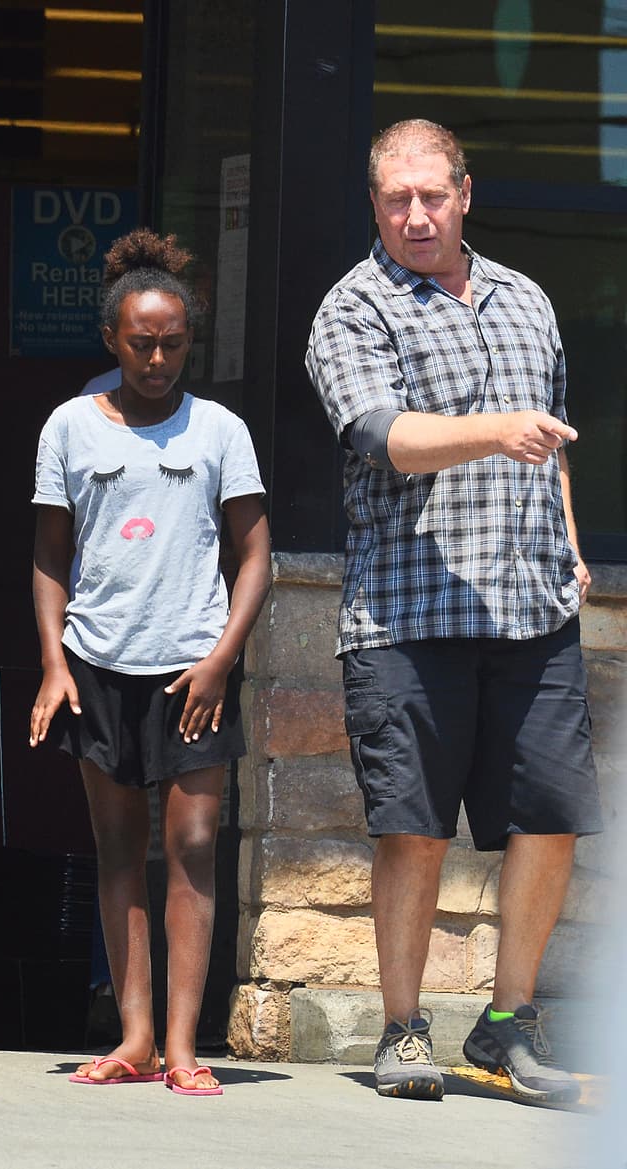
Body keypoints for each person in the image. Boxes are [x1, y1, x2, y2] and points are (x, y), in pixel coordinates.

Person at [305, 119, 602, 1103]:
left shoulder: (526, 300)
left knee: (549, 820)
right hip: (406, 611)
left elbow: (546, 440)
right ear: (373, 204)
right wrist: (496, 431)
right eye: (395, 199)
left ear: (463, 193)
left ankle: (505, 1025)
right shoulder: (351, 311)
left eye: (431, 195)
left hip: (530, 609)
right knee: (413, 830)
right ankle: (400, 1030)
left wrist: (565, 542)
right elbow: (381, 435)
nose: (415, 214)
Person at [29, 228, 271, 1095]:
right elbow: (50, 554)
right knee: (119, 847)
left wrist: (220, 659)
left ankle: (184, 1044)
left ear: (189, 340)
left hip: (192, 669)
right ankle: (133, 1035)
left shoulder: (220, 431)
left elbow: (255, 555)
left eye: (173, 342)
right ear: (112, 339)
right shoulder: (68, 427)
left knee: (194, 844)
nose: (158, 357)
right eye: (142, 342)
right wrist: (55, 665)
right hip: (99, 663)